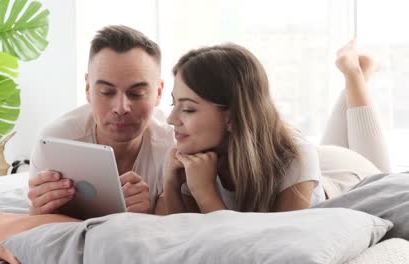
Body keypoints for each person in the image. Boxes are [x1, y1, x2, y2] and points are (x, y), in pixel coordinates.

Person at [163, 39, 391, 214]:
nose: (171, 119)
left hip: (345, 174)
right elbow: (175, 236)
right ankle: (356, 73)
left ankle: (354, 72)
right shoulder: (196, 159)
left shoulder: (294, 157)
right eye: (174, 103)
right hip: (302, 161)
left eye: (188, 109)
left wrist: (205, 194)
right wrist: (170, 184)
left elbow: (267, 245)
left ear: (232, 117)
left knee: (387, 178)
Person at [27, 25, 174, 215]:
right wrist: (40, 208)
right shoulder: (55, 142)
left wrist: (148, 215)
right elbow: (34, 225)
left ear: (159, 92)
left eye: (137, 93)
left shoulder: (171, 146)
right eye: (107, 92)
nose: (121, 108)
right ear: (88, 89)